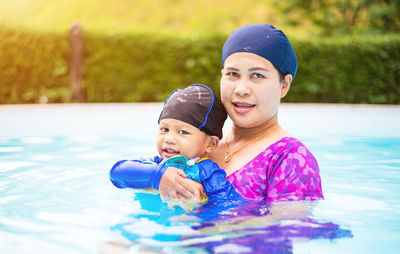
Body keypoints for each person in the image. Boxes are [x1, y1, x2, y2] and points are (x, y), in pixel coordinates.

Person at [159, 24, 324, 202]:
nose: (241, 89)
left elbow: (288, 228)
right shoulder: (202, 142)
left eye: (257, 76)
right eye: (233, 74)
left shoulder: (291, 159)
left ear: (284, 85)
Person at [109, 84, 243, 202]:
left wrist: (203, 205)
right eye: (164, 129)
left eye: (183, 132)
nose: (169, 139)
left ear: (210, 144)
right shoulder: (156, 164)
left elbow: (228, 204)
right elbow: (116, 173)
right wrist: (158, 175)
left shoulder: (207, 173)